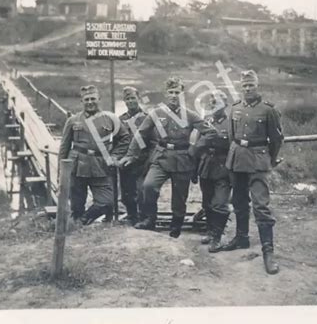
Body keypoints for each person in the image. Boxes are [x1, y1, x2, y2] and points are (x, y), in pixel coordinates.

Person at [119, 76, 217, 238]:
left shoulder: (191, 115)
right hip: (161, 157)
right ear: (166, 93)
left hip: (182, 159)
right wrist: (130, 155)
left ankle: (176, 225)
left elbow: (211, 132)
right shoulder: (156, 113)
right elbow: (140, 134)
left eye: (177, 92)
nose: (173, 95)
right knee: (148, 186)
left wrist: (195, 149)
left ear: (182, 93)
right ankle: (149, 219)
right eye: (171, 92)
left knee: (179, 197)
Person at [223, 70, 283, 275]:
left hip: (258, 161)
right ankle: (241, 238)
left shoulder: (268, 110)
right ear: (241, 87)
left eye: (251, 85)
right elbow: (232, 135)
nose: (248, 89)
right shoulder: (235, 108)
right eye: (245, 86)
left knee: (261, 206)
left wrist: (270, 160)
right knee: (238, 202)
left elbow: (276, 140)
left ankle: (268, 252)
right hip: (237, 159)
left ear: (257, 86)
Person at [58, 85, 130, 224]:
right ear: (82, 101)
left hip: (101, 166)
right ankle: (77, 225)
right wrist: (62, 171)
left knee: (107, 201)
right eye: (86, 99)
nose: (90, 102)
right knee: (77, 204)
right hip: (77, 165)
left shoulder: (110, 119)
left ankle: (83, 220)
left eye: (93, 99)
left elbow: (125, 138)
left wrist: (115, 156)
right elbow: (64, 147)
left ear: (99, 99)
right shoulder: (73, 120)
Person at [192, 89, 232, 253]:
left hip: (223, 168)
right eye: (212, 102)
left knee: (220, 204)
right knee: (207, 202)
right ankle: (210, 231)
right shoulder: (205, 122)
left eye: (219, 102)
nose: (215, 105)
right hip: (206, 167)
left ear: (226, 105)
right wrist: (194, 171)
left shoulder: (231, 124)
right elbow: (197, 146)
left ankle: (217, 237)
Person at [118, 86, 150, 225]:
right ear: (124, 101)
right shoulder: (120, 119)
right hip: (126, 161)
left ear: (139, 98)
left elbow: (154, 140)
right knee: (127, 192)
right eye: (128, 99)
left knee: (142, 190)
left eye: (133, 98)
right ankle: (132, 215)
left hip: (143, 160)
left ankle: (144, 216)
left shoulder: (147, 118)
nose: (131, 101)